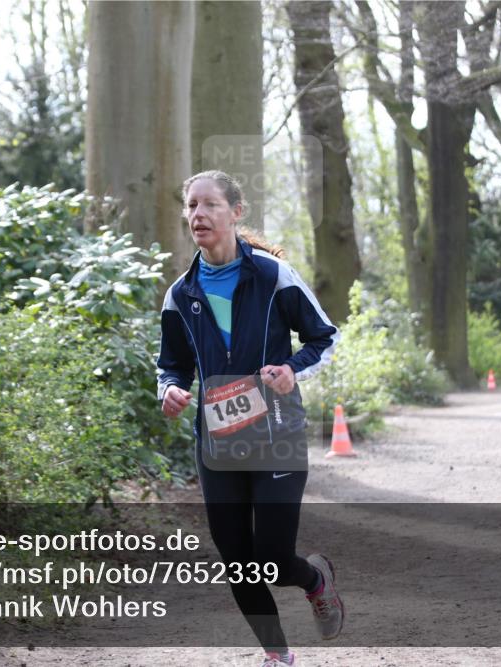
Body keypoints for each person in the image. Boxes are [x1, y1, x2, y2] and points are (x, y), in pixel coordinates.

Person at [157, 170, 343, 667]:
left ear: (236, 212)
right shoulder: (181, 293)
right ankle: (277, 654)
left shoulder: (272, 275)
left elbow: (324, 337)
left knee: (274, 559)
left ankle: (315, 580)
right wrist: (170, 389)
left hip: (276, 433)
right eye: (191, 206)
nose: (198, 215)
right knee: (239, 564)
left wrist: (291, 369)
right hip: (217, 444)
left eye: (210, 205)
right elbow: (170, 364)